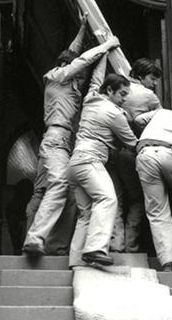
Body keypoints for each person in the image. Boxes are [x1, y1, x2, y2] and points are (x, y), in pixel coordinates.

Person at [22, 21, 119, 256]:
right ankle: (34, 238)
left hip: (62, 144)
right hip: (55, 140)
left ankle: (56, 247)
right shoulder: (56, 76)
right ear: (65, 65)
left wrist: (92, 40)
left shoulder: (71, 87)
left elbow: (92, 77)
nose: (81, 76)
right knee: (59, 184)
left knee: (63, 193)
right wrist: (107, 43)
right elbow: (80, 60)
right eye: (76, 70)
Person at [67, 45, 139, 268]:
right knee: (108, 199)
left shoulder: (90, 99)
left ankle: (75, 261)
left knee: (86, 214)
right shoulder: (114, 113)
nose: (124, 99)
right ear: (110, 92)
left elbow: (97, 78)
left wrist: (105, 49)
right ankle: (95, 248)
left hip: (75, 163)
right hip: (91, 161)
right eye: (122, 94)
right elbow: (132, 143)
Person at [109, 58, 162, 254]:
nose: (155, 83)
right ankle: (131, 246)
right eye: (152, 78)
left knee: (115, 198)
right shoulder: (149, 97)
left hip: (110, 152)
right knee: (139, 198)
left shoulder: (118, 89)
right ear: (141, 76)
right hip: (133, 153)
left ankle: (116, 244)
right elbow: (160, 123)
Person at [133, 108, 172, 271]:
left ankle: (168, 261)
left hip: (145, 153)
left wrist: (149, 132)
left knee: (157, 211)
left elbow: (138, 119)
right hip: (171, 153)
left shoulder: (160, 112)